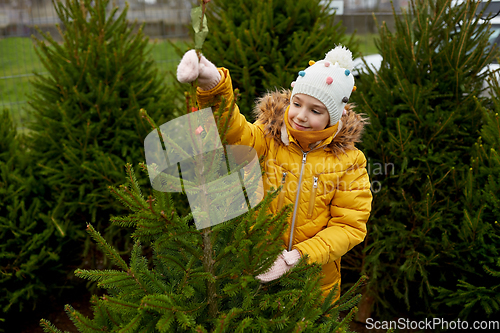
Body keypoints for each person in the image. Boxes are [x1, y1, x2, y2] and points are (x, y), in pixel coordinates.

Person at [176, 45, 372, 302]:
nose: (300, 116)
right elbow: (234, 133)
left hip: (313, 283)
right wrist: (214, 84)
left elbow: (349, 225)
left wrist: (300, 257)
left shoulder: (350, 161)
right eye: (297, 103)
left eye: (315, 110)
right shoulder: (268, 137)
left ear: (334, 117)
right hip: (254, 267)